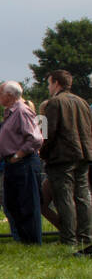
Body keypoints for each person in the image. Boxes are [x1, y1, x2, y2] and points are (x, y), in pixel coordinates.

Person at [39, 69, 92, 251]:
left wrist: (43, 152)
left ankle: (69, 238)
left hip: (62, 156)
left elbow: (48, 132)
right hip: (84, 154)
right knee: (83, 196)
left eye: (49, 83)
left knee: (65, 197)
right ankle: (85, 236)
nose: (48, 87)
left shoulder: (55, 103)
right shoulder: (83, 102)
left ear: (56, 83)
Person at [0, 80, 45, 245]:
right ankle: (24, 239)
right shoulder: (11, 112)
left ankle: (32, 241)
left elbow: (36, 138)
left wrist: (18, 155)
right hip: (13, 163)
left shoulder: (22, 111)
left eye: (0, 93)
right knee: (13, 203)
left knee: (27, 203)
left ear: (10, 95)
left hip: (24, 163)